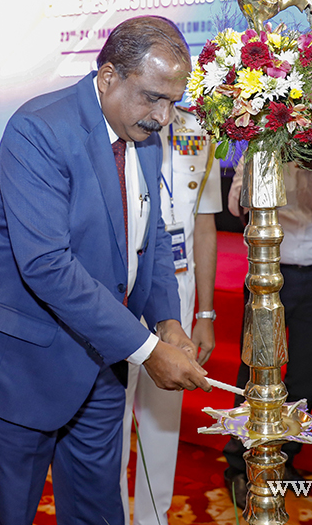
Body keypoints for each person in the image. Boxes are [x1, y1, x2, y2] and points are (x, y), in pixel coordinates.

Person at [0, 15, 213, 525]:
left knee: (97, 512)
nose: (164, 115)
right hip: (25, 364)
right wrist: (147, 350)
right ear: (109, 76)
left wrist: (167, 320)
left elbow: (150, 235)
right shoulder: (39, 128)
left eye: (174, 100)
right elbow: (46, 265)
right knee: (6, 514)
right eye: (153, 97)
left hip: (102, 363)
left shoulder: (146, 135)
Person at [222, 145, 312, 508]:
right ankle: (240, 464)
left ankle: (284, 454)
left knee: (307, 371)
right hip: (266, 273)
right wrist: (263, 168)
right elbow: (234, 208)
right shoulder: (259, 151)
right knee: (254, 370)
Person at [119, 105, 220, 524]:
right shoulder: (122, 121)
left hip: (177, 289)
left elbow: (205, 222)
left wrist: (206, 313)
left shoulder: (199, 131)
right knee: (113, 418)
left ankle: (153, 518)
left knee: (163, 421)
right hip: (123, 287)